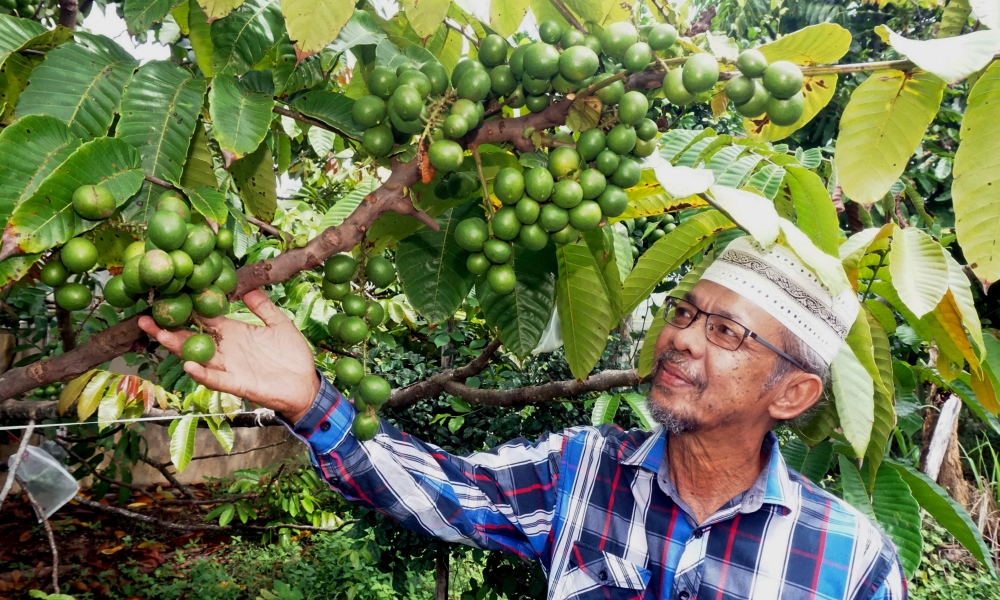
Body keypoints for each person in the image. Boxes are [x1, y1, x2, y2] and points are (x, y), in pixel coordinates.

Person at [138, 237, 906, 599]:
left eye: (727, 332)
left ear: (792, 395)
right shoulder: (583, 472)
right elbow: (443, 491)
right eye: (685, 311)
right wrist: (310, 400)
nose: (680, 339)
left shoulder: (850, 559)